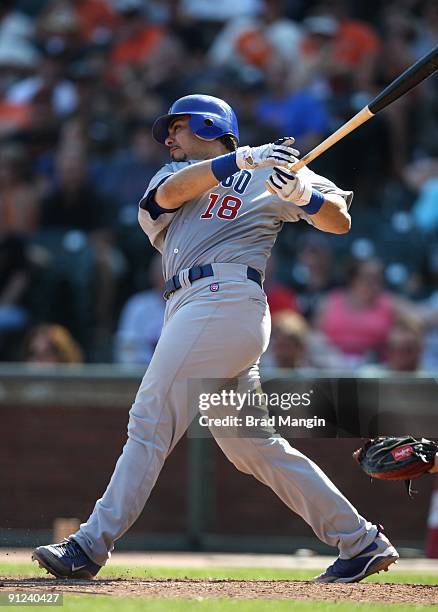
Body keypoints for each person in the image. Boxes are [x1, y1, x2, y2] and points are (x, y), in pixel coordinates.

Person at [32, 93, 398, 583]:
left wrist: (301, 195)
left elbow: (339, 220)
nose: (168, 138)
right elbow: (169, 195)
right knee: (252, 446)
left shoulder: (279, 170)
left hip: (226, 297)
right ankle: (360, 541)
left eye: (177, 128)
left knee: (150, 419)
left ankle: (89, 544)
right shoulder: (174, 176)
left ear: (206, 125)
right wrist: (245, 158)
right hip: (196, 308)